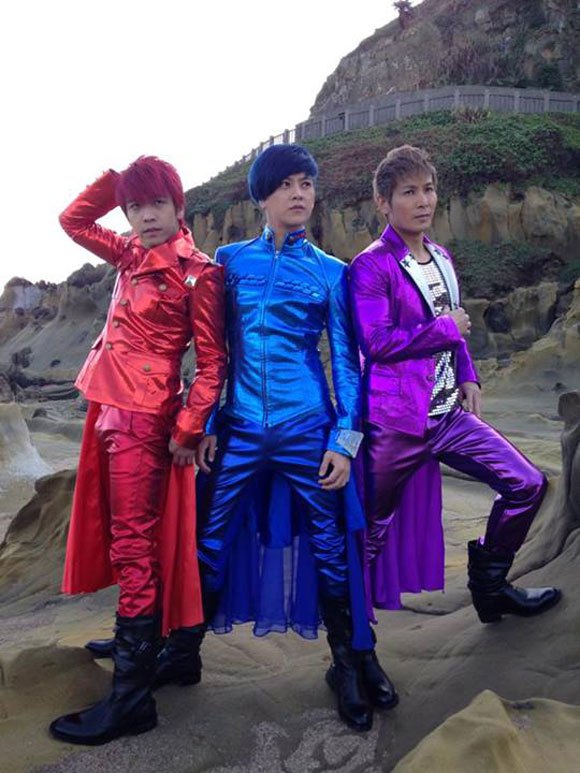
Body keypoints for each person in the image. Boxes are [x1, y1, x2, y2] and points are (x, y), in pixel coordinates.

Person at [153, 144, 397, 733]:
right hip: (237, 427)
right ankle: (183, 654)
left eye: (306, 184)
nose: (299, 194)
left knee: (331, 547)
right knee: (209, 542)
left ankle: (346, 666)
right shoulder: (230, 261)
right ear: (261, 196)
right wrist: (208, 425)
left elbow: (347, 364)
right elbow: (213, 352)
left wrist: (344, 440)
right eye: (286, 184)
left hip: (308, 428)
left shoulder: (332, 272)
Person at [49, 156, 227, 745]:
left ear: (179, 206)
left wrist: (187, 429)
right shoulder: (129, 253)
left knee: (133, 545)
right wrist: (118, 179)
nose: (145, 216)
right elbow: (73, 221)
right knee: (128, 537)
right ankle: (143, 646)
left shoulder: (198, 273)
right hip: (108, 406)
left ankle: (130, 698)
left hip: (145, 419)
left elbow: (213, 364)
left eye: (156, 203)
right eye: (134, 206)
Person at [349, 144, 561, 624]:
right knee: (369, 532)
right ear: (383, 202)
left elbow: (454, 323)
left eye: (428, 189)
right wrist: (445, 331)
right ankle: (352, 639)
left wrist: (467, 373)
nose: (423, 200)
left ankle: (491, 589)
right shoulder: (371, 265)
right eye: (409, 192)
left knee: (526, 484)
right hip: (393, 423)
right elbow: (376, 342)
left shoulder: (441, 256)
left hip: (447, 417)